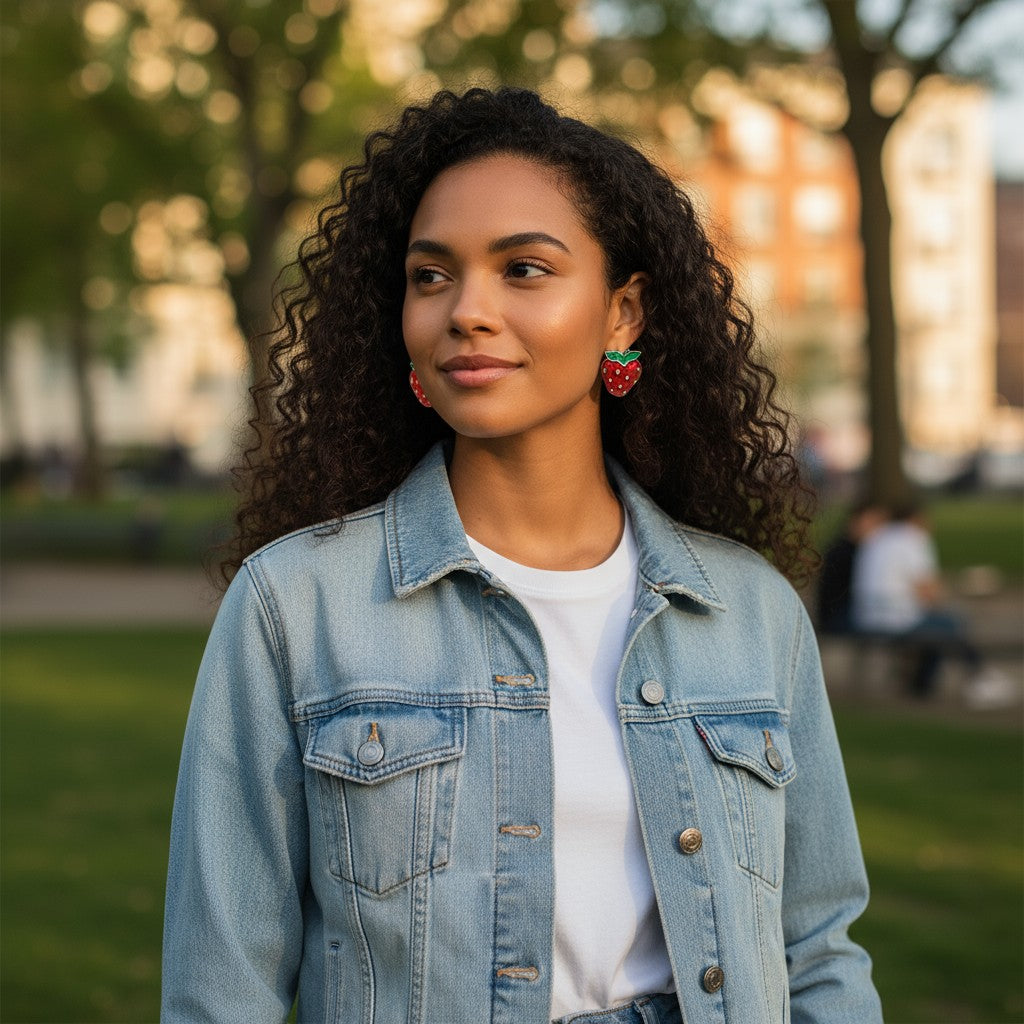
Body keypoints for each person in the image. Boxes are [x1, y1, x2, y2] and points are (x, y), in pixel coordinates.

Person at [162, 87, 882, 1024]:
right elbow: (224, 988)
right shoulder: (294, 605)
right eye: (431, 276)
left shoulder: (749, 611)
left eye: (525, 269)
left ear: (624, 314)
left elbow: (817, 948)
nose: (468, 311)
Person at [851, 501, 1010, 703]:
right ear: (917, 519)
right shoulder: (913, 539)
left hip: (866, 616)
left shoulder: (878, 537)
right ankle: (978, 676)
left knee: (938, 625)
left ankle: (925, 684)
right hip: (893, 618)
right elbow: (929, 591)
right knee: (950, 624)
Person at [816, 500, 888, 634]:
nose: (878, 530)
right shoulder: (850, 552)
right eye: (874, 522)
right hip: (839, 617)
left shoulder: (842, 547)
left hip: (839, 615)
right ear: (856, 521)